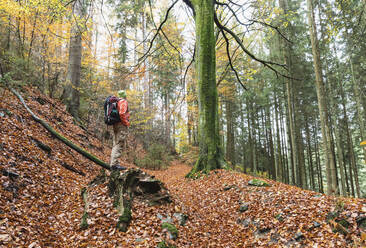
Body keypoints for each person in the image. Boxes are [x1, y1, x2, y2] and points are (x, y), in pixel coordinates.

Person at [110, 90, 130, 170]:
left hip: (115, 124)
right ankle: (114, 164)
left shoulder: (116, 102)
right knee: (119, 143)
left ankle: (113, 163)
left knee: (115, 143)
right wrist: (126, 122)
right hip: (121, 125)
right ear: (124, 95)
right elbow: (122, 113)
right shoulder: (123, 101)